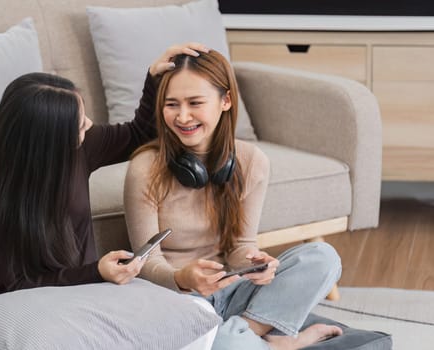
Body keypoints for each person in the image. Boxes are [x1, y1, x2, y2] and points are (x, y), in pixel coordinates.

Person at [124, 49, 344, 350]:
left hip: (231, 289)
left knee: (322, 258)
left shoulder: (251, 161)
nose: (183, 116)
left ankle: (243, 334)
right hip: (176, 300)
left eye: (195, 103)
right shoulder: (145, 168)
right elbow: (145, 262)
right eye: (171, 104)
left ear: (225, 101)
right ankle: (273, 342)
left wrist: (256, 264)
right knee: (227, 344)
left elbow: (240, 247)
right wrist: (182, 278)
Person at [0, 43, 209, 295]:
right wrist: (96, 272)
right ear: (48, 140)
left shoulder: (77, 149)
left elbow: (138, 134)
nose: (90, 125)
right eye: (80, 125)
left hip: (87, 290)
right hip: (30, 303)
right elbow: (19, 284)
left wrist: (154, 80)